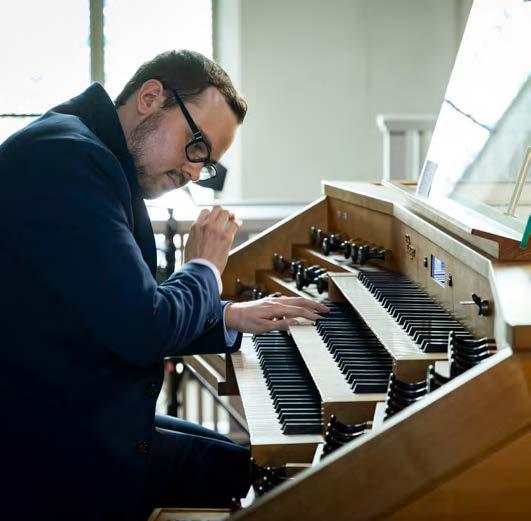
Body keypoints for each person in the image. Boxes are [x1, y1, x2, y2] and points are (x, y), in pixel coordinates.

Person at [0, 49, 328, 520]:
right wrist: (205, 268)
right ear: (151, 97)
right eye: (196, 145)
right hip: (47, 451)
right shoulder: (70, 159)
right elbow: (143, 327)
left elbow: (115, 307)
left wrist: (227, 316)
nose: (194, 171)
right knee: (277, 482)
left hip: (73, 415)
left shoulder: (87, 151)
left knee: (268, 467)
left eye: (207, 164)